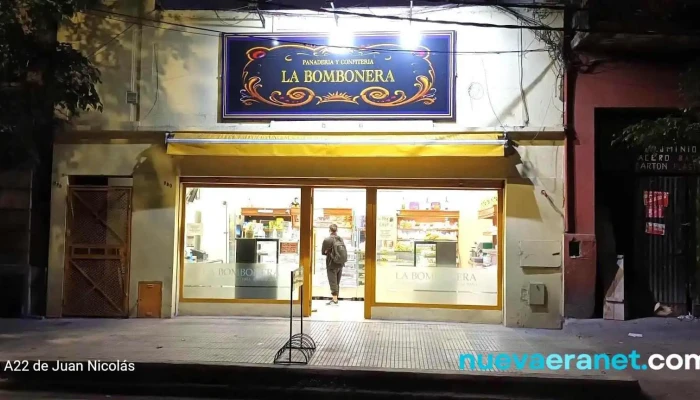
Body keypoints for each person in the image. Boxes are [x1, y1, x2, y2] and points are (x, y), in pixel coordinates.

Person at [321, 223, 347, 305]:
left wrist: (328, 252)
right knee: (337, 282)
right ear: (337, 230)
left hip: (331, 263)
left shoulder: (327, 240)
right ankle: (335, 298)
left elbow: (323, 252)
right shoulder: (340, 239)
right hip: (340, 263)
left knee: (332, 281)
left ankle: (335, 300)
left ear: (329, 230)